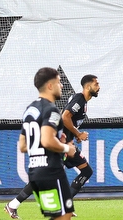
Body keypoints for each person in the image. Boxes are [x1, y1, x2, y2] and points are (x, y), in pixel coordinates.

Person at [6, 74, 99, 218]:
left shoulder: (83, 102)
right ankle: (13, 204)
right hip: (60, 145)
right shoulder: (79, 99)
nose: (99, 87)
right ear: (88, 86)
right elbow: (65, 116)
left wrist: (74, 135)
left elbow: (67, 119)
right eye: (96, 84)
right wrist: (78, 133)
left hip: (67, 144)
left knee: (86, 171)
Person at [8, 67, 75, 220]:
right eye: (59, 82)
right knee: (64, 216)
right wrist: (66, 148)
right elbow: (46, 140)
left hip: (35, 172)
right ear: (50, 86)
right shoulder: (51, 110)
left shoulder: (30, 109)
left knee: (57, 216)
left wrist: (52, 140)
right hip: (51, 170)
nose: (62, 86)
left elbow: (23, 146)